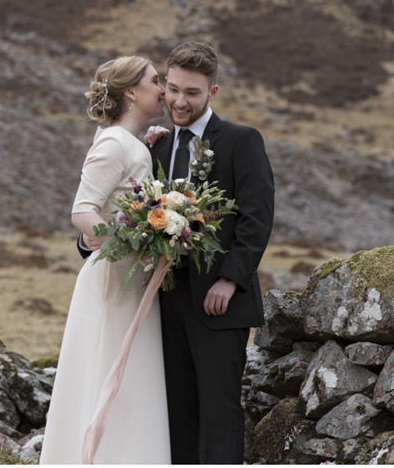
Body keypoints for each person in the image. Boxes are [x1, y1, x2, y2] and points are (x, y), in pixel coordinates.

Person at [146, 40, 274, 465]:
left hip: (220, 305)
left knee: (219, 412)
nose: (179, 102)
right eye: (173, 89)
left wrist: (230, 278)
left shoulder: (241, 140)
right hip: (165, 306)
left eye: (192, 93)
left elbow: (257, 217)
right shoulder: (156, 148)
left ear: (212, 93)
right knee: (176, 414)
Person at [42, 56, 172, 465]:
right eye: (156, 81)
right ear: (131, 91)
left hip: (131, 280)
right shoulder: (114, 141)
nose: (163, 89)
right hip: (114, 279)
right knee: (112, 375)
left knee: (132, 378)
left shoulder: (131, 143)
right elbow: (83, 212)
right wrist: (130, 245)